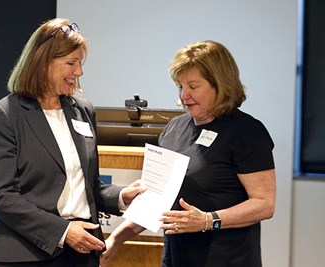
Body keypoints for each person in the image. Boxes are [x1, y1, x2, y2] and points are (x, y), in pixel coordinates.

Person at [0, 18, 145, 267]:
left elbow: (87, 186)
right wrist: (63, 231)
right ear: (42, 62)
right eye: (71, 63)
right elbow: (2, 195)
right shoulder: (6, 114)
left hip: (82, 252)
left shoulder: (83, 110)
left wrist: (122, 196)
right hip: (26, 255)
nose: (79, 72)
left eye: (80, 63)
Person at [100, 40, 276, 267]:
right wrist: (116, 238)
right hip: (176, 258)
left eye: (193, 86)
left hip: (227, 259)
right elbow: (157, 202)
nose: (184, 96)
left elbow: (264, 204)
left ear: (219, 85)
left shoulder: (247, 132)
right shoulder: (174, 128)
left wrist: (207, 220)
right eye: (180, 86)